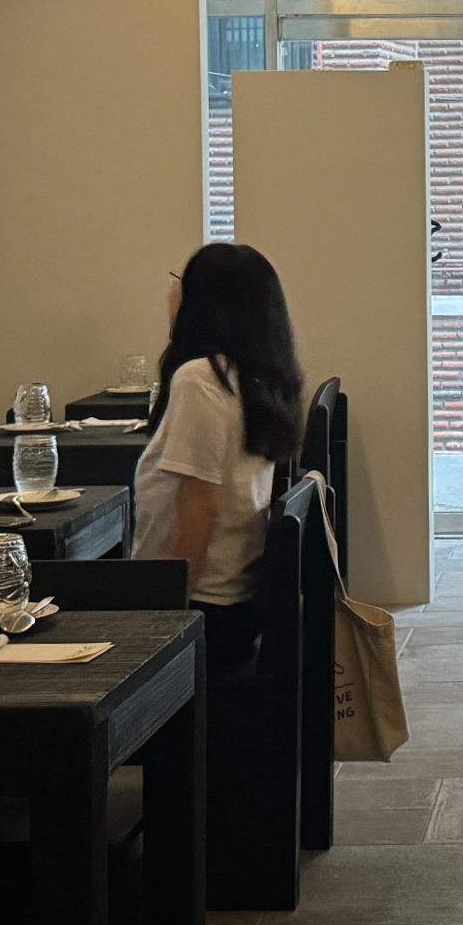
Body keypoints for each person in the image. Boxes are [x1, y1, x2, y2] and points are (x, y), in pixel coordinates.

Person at [135, 243, 306, 668]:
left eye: (179, 281)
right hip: (233, 604)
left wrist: (169, 617)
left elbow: (201, 508)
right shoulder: (255, 376)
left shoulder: (201, 380)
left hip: (201, 610)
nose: (171, 290)